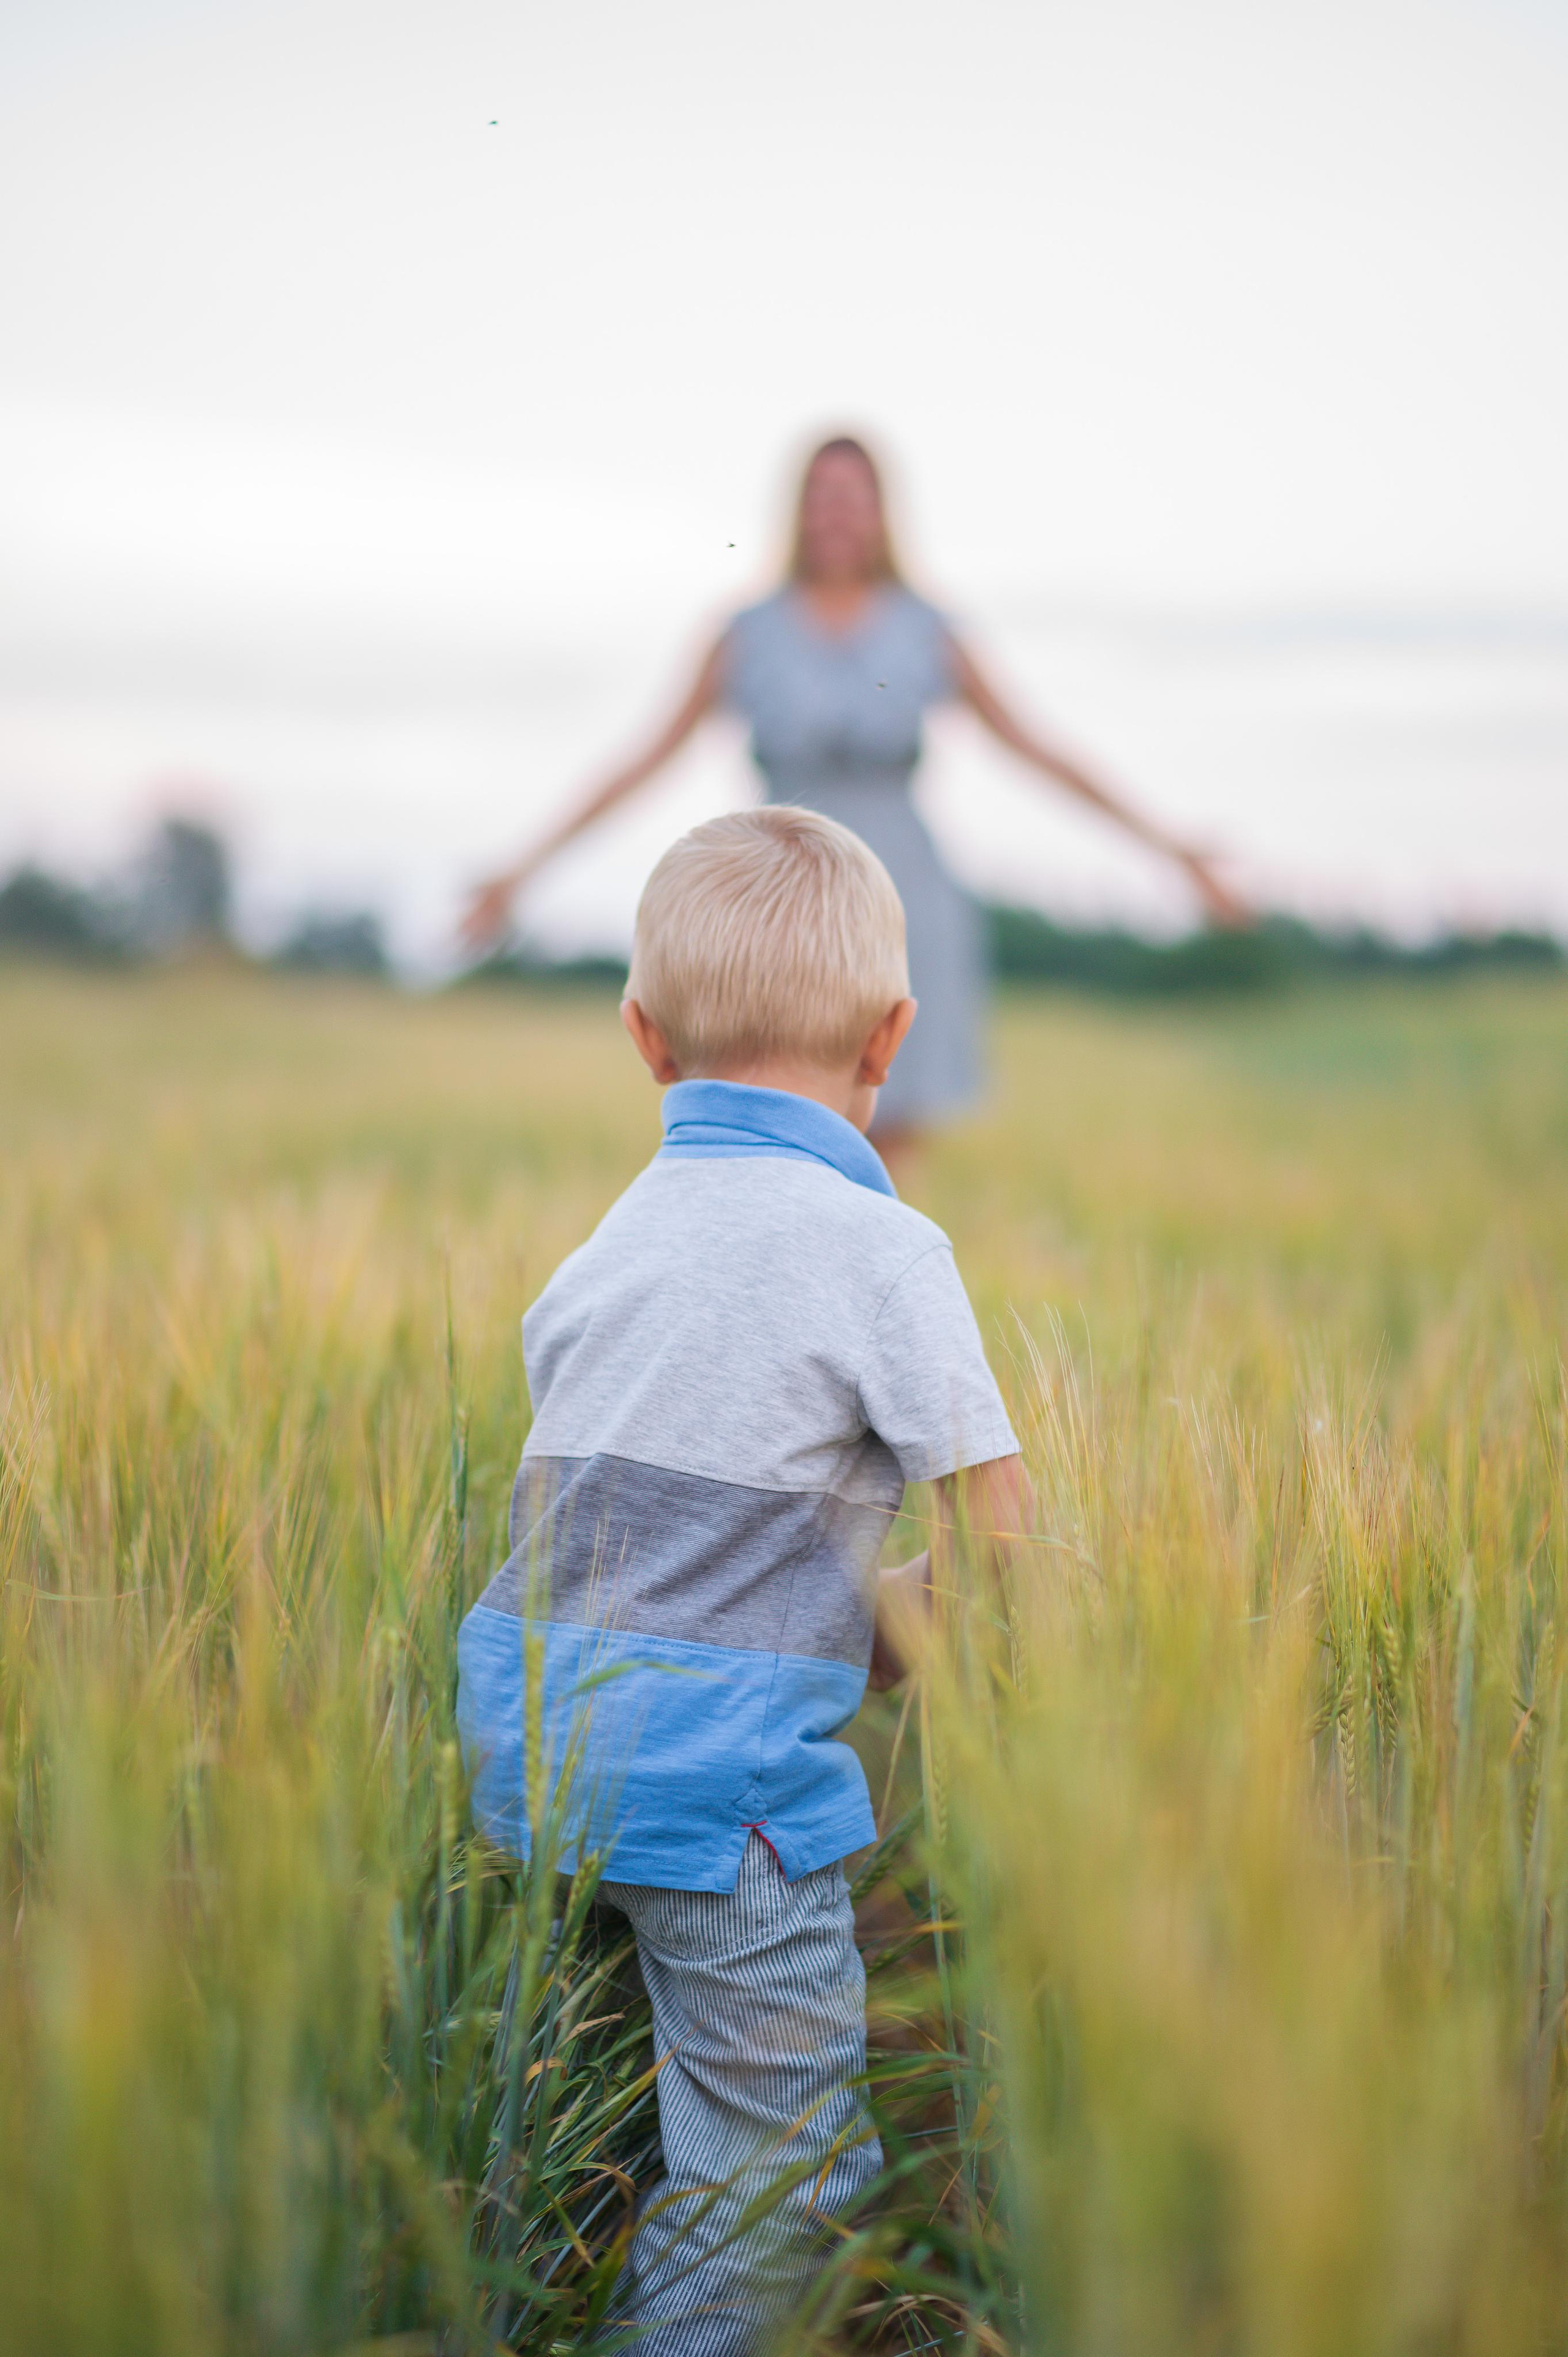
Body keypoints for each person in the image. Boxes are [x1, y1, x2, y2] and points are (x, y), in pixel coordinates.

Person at [456, 806, 1028, 2355]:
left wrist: (831, 1616)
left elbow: (641, 1533)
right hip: (716, 1786)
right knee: (782, 2180)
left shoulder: (599, 1252)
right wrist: (923, 1640)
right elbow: (1003, 1539)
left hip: (530, 1740)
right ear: (892, 1037)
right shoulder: (882, 1249)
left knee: (593, 2081)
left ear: (642, 1037)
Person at [462, 434, 1245, 1154]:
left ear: (881, 512)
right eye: (821, 494)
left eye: (854, 496)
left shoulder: (928, 627)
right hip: (775, 898)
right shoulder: (744, 632)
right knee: (768, 1116)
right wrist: (523, 868)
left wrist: (1169, 848)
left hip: (899, 898)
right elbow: (645, 756)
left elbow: (1035, 744)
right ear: (797, 510)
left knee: (886, 1137)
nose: (837, 512)